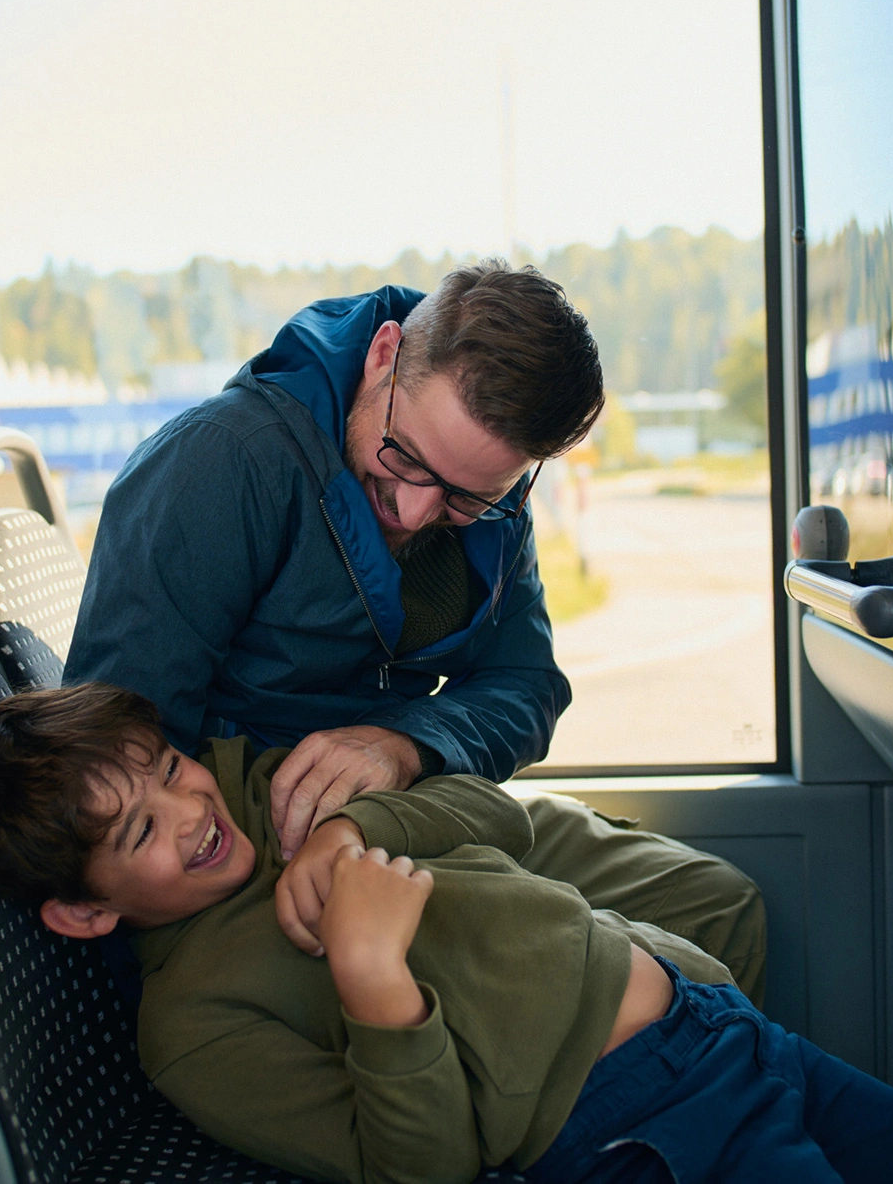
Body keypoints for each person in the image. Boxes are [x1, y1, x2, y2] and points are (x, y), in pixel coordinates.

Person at [63, 261, 765, 1001]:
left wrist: (406, 743)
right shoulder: (219, 466)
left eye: (467, 496)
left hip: (416, 803)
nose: (416, 511)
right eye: (404, 459)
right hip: (268, 841)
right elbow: (115, 750)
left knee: (719, 908)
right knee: (611, 986)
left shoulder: (494, 506)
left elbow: (525, 687)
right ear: (382, 355)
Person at [0, 683, 893, 1184]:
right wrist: (374, 983)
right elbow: (409, 1165)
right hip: (641, 1128)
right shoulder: (196, 1026)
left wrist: (356, 824)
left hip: (726, 1033)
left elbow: (496, 817)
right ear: (86, 911)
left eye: (168, 768)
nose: (191, 811)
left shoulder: (278, 793)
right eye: (139, 831)